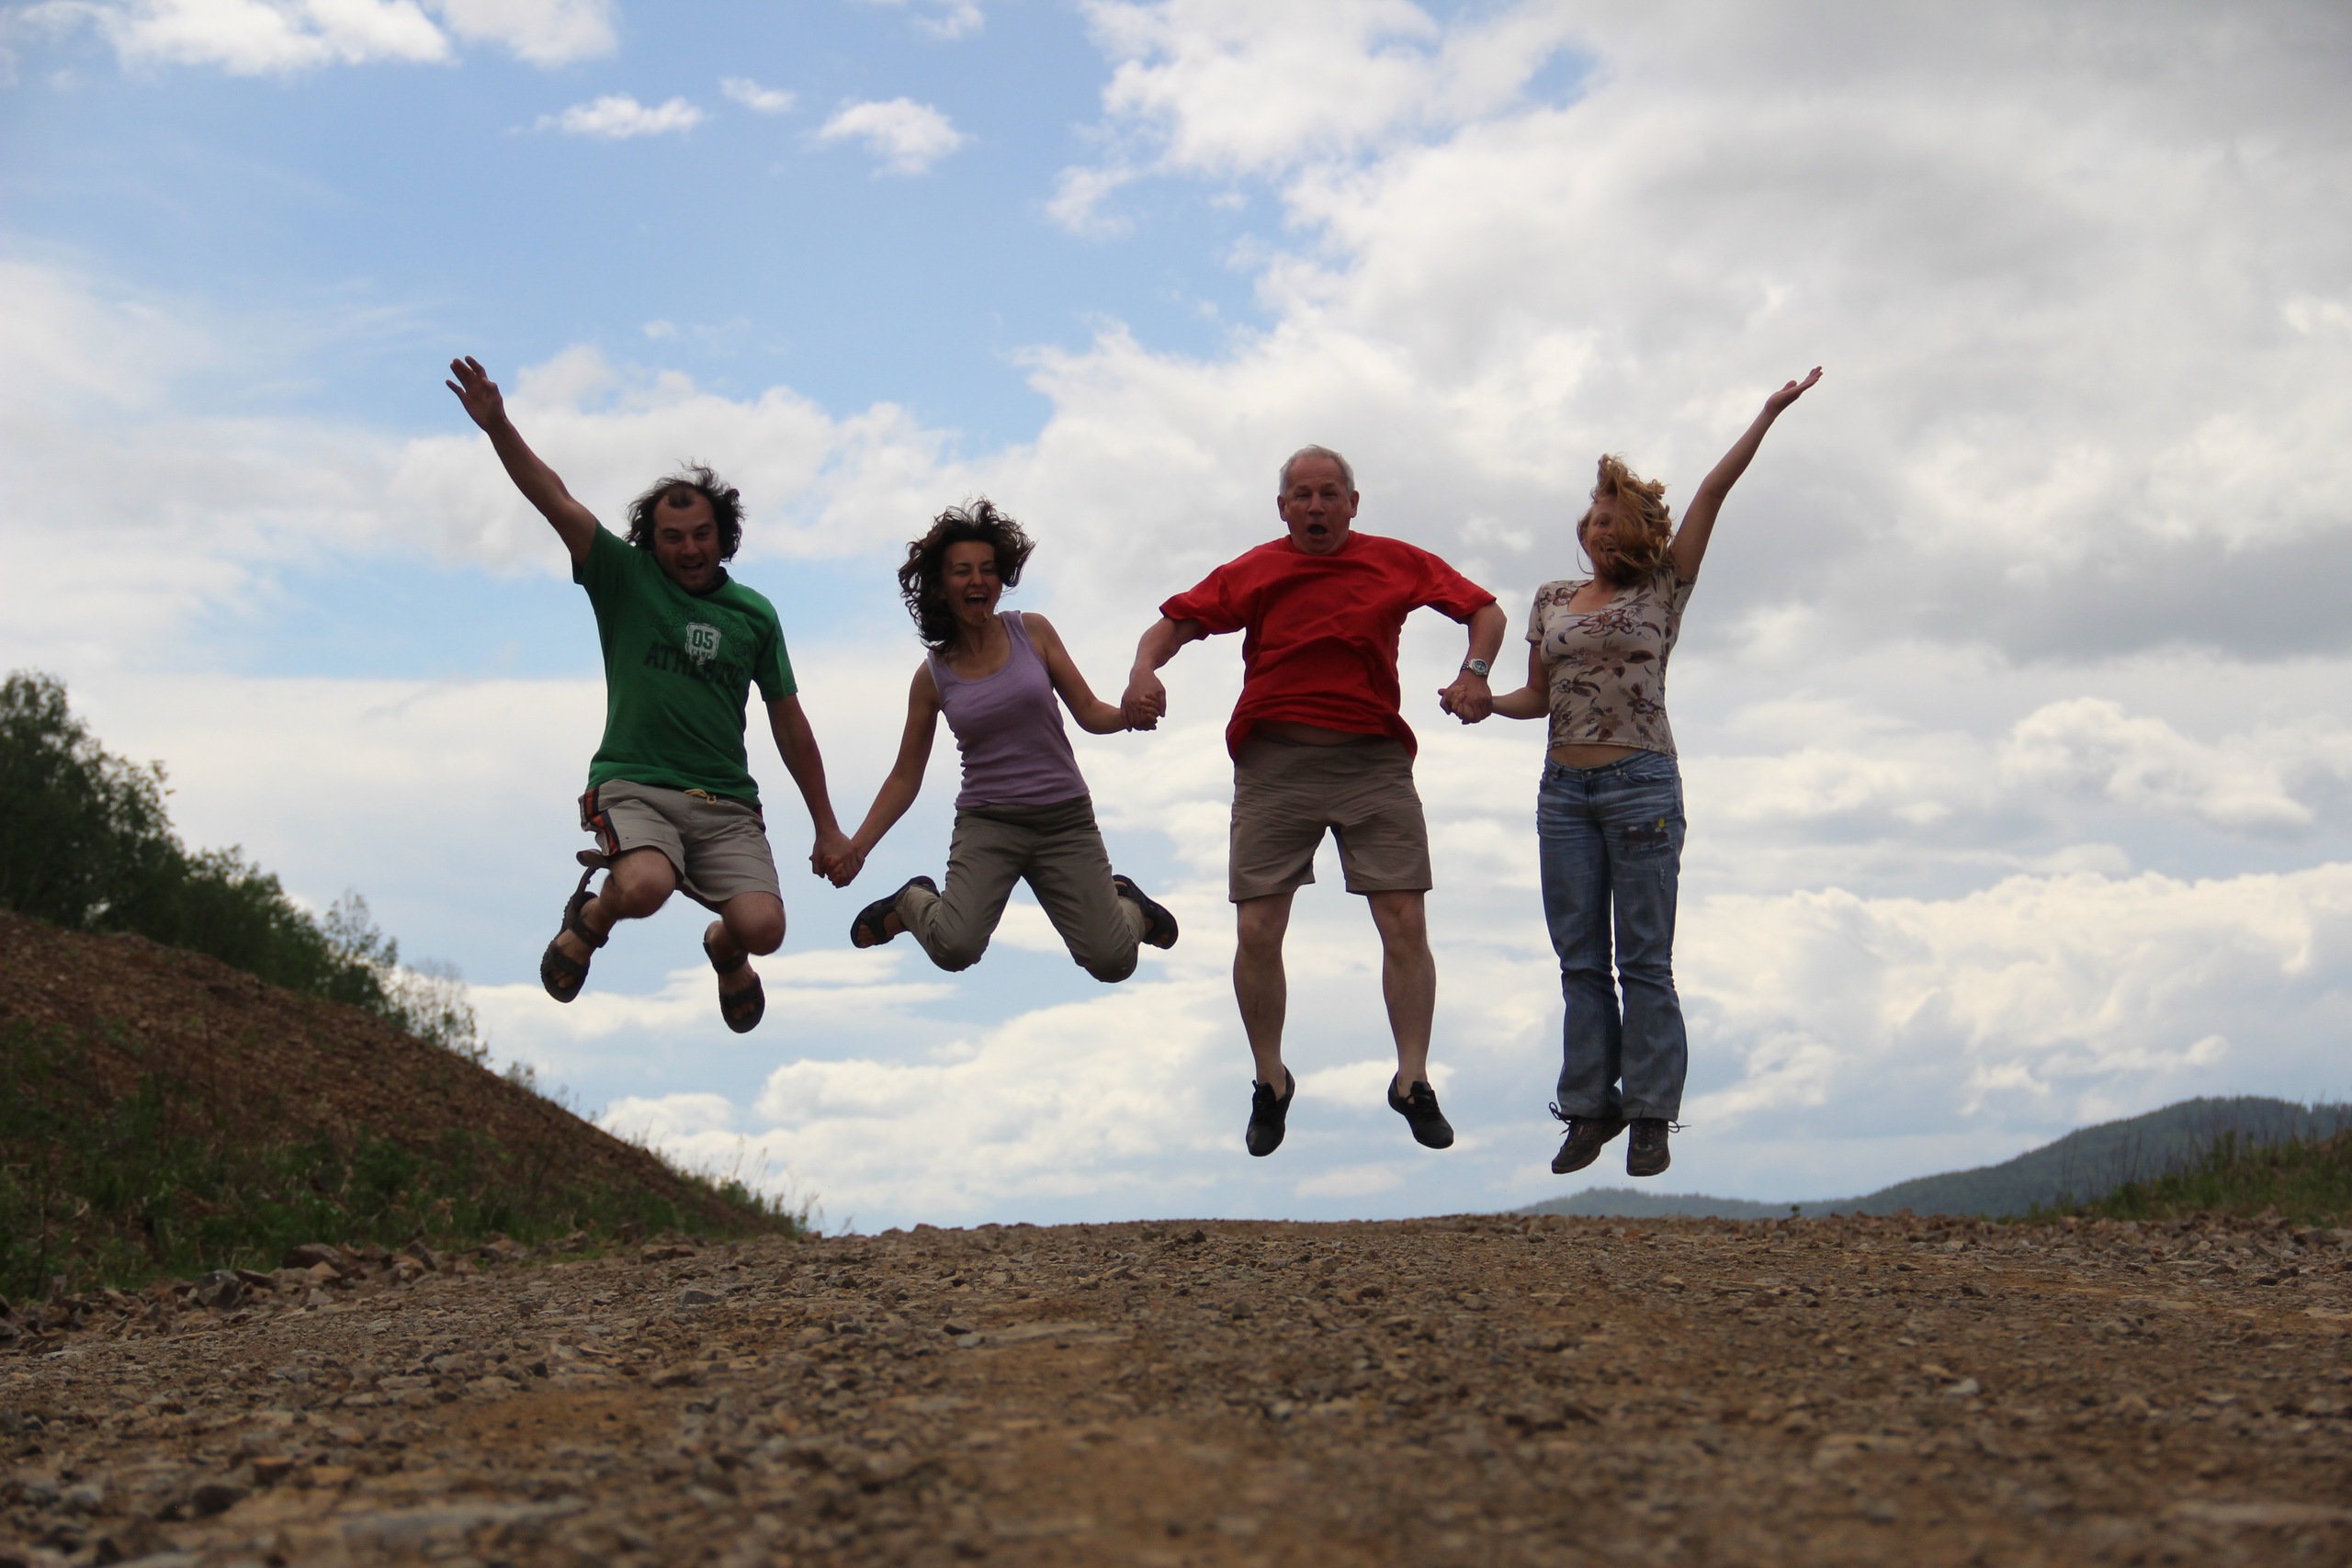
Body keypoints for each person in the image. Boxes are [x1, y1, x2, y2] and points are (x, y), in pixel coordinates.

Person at [444, 355, 854, 1034]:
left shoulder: (754, 615)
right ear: (651, 542)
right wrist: (499, 427)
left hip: (725, 802)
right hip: (635, 785)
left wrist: (827, 824)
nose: (689, 549)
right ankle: (592, 918)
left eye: (701, 535)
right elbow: (555, 498)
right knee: (644, 886)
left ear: (723, 536)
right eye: (672, 538)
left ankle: (725, 951)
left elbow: (791, 725)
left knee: (764, 927)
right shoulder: (624, 578)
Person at [1123, 446, 1506, 1156]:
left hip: (1372, 759)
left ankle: (1412, 1080)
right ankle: (1270, 1081)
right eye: (1302, 495)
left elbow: (1484, 609)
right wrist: (1144, 669)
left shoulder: (1394, 561)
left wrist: (1474, 672)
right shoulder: (1257, 569)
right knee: (1258, 929)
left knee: (1404, 917)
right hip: (1275, 761)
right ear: (1283, 508)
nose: (1316, 506)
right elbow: (1174, 623)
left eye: (1330, 493)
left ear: (1353, 504)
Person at [1490, 368, 1822, 1178]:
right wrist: (1482, 701)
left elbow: (1714, 489)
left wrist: (1767, 413)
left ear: (1636, 527)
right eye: (1592, 517)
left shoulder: (1665, 585)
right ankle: (1588, 1108)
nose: (1598, 527)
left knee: (1644, 958)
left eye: (1612, 517)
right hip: (1563, 792)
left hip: (1641, 784)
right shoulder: (1551, 597)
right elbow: (1537, 696)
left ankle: (1649, 1115)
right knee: (1579, 959)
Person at [839, 501, 1179, 977]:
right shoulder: (931, 677)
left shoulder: (1032, 632)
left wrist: (1128, 715)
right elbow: (904, 778)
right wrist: (857, 847)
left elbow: (1088, 711)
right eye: (962, 571)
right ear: (942, 585)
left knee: (1114, 961)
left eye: (988, 569)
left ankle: (1129, 905)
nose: (977, 581)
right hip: (989, 824)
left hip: (1063, 820)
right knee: (954, 948)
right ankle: (912, 899)